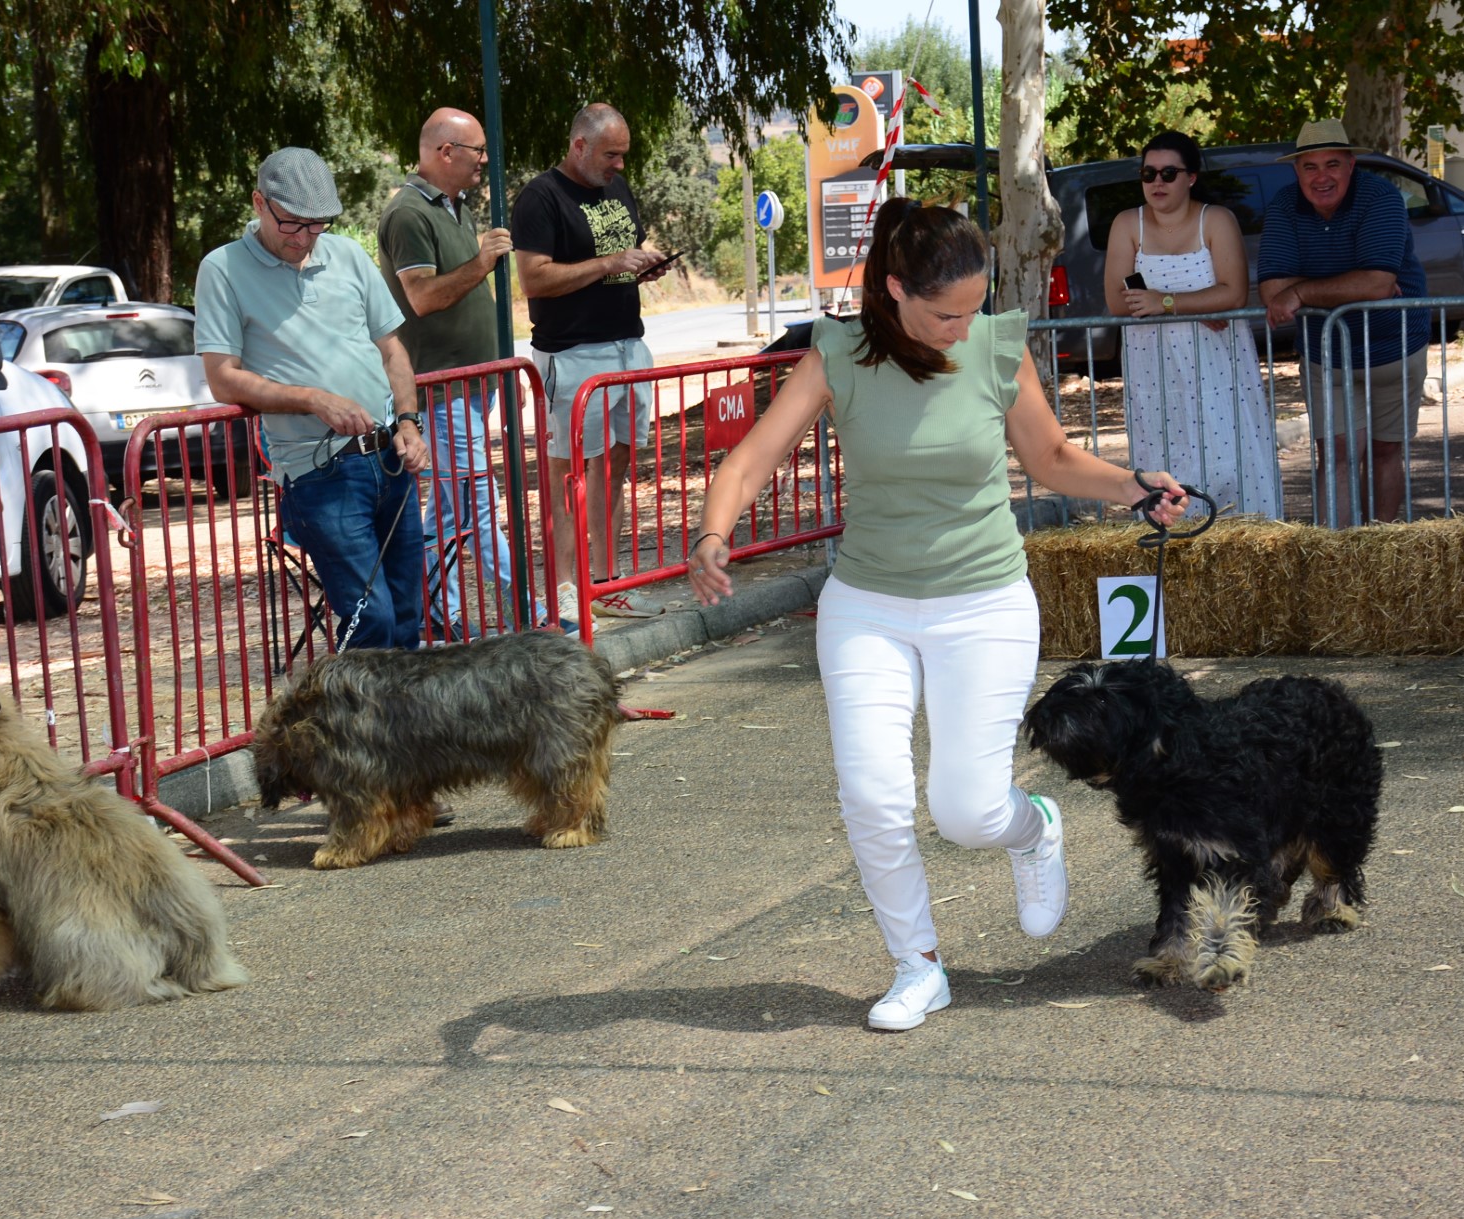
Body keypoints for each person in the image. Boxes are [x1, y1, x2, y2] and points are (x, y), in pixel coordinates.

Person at [687, 199, 1189, 1033]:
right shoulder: (836, 353)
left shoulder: (996, 346)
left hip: (984, 601)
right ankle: (917, 966)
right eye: (946, 312)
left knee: (966, 811)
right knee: (875, 798)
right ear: (893, 290)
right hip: (866, 608)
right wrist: (712, 534)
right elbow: (748, 460)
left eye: (974, 306)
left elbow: (1052, 459)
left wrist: (1136, 488)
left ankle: (1031, 832)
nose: (965, 325)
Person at [197, 147, 431, 650]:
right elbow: (223, 379)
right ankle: (360, 730)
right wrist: (313, 399)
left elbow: (392, 349)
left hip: (389, 459)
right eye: (291, 224)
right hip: (319, 472)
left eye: (317, 225)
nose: (304, 238)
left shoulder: (346, 254)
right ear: (259, 203)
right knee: (373, 622)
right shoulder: (222, 269)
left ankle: (409, 730)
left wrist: (410, 422)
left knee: (408, 618)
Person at [511, 102, 670, 624]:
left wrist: (639, 267)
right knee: (566, 477)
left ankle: (607, 583)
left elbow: (619, 256)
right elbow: (533, 279)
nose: (619, 165)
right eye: (611, 154)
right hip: (573, 355)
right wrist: (609, 264)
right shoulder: (540, 196)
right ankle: (565, 596)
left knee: (615, 469)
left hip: (627, 343)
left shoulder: (615, 188)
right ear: (579, 146)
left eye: (623, 155)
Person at [378, 107, 524, 640]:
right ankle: (528, 608)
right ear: (445, 152)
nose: (485, 161)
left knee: (451, 509)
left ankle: (440, 613)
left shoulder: (453, 207)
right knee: (476, 505)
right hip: (442, 389)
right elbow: (421, 297)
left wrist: (498, 377)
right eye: (476, 151)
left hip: (470, 386)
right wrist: (483, 261)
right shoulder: (409, 214)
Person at [1258, 119, 1429, 526]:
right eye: (1310, 167)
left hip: (1396, 348)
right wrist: (1358, 284)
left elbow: (1376, 282)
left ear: (1352, 165)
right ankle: (1336, 556)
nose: (1322, 177)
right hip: (1325, 353)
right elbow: (1271, 292)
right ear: (1296, 171)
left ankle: (1379, 547)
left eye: (1332, 164)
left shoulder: (1382, 197)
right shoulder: (1284, 205)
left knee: (1386, 451)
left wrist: (1301, 292)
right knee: (1335, 454)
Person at [1103, 129, 1281, 519]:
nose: (1157, 183)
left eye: (1169, 173)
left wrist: (1162, 301)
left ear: (1191, 177)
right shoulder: (1126, 223)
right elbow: (1118, 300)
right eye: (1148, 174)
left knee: (1230, 452)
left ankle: (1247, 532)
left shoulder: (1215, 219)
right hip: (1153, 366)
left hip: (1218, 360)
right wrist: (1197, 305)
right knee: (1164, 452)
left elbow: (1233, 294)